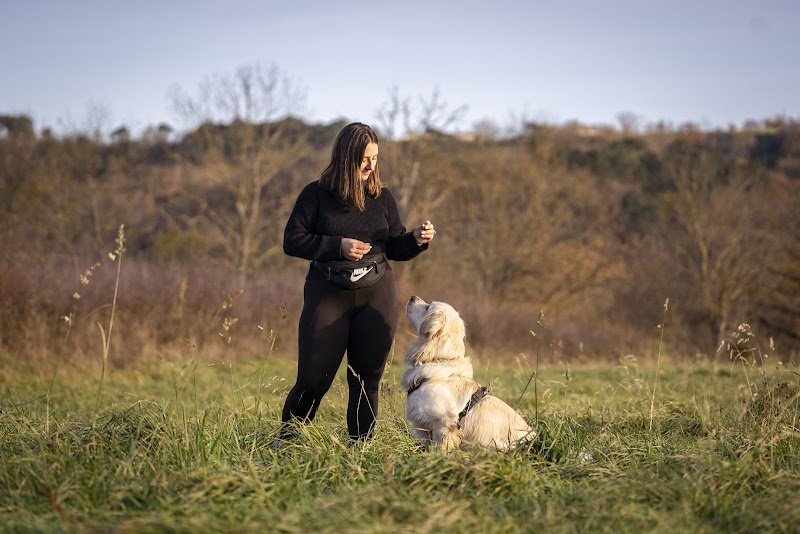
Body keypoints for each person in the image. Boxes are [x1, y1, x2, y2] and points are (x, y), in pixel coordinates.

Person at [279, 122, 436, 441]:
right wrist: (338, 246)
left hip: (376, 293)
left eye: (375, 158)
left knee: (367, 380)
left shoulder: (383, 197)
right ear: (344, 157)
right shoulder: (316, 195)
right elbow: (293, 241)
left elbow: (394, 246)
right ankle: (287, 442)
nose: (370, 165)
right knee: (313, 378)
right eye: (364, 158)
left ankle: (360, 452)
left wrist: (417, 239)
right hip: (328, 293)